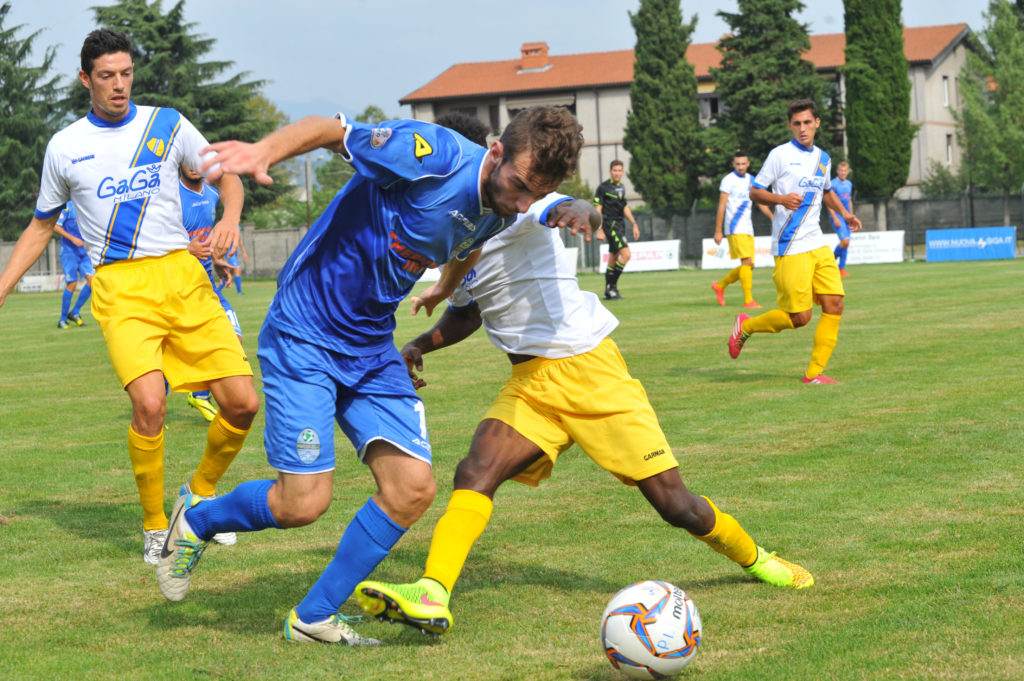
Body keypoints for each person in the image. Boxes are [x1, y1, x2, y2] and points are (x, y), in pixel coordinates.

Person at [153, 105, 590, 645]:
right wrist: (265, 151)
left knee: (412, 490)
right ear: (495, 152)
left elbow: (471, 241)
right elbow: (332, 129)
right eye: (519, 186)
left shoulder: (504, 200)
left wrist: (444, 287)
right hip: (305, 332)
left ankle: (311, 617)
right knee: (302, 505)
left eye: (534, 196)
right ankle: (198, 521)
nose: (521, 204)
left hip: (370, 346)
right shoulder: (433, 156)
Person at [353, 188, 814, 638]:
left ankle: (758, 559)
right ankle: (433, 594)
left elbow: (572, 208)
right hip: (531, 384)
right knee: (475, 471)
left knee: (676, 505)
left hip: (593, 373)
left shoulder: (521, 205)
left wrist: (581, 215)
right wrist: (417, 344)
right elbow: (467, 314)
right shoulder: (460, 236)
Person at [0, 29, 260, 565]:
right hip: (120, 289)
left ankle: (201, 499)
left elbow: (227, 176)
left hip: (184, 279)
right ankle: (154, 525)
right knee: (149, 404)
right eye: (106, 76)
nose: (119, 85)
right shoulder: (65, 146)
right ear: (85, 80)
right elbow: (40, 226)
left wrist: (231, 219)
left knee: (242, 403)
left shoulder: (166, 122)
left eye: (126, 73)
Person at [730, 99, 862, 384]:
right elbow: (755, 192)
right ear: (790, 125)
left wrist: (845, 213)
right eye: (797, 123)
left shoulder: (824, 159)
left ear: (817, 123)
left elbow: (826, 191)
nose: (802, 128)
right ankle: (747, 326)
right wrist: (780, 199)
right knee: (799, 318)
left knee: (835, 304)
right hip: (790, 246)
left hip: (817, 243)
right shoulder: (779, 155)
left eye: (807, 122)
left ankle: (814, 374)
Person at [179, 164, 245, 426]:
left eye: (198, 161)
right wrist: (186, 249)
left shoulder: (212, 195)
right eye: (188, 160)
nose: (194, 166)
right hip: (179, 287)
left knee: (234, 337)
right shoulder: (169, 197)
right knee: (174, 350)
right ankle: (157, 409)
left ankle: (200, 394)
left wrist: (217, 260)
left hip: (207, 286)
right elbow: (153, 244)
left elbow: (206, 240)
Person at [711, 151, 774, 308]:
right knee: (746, 262)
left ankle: (720, 285)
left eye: (743, 164)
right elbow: (721, 206)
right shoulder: (728, 180)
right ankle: (748, 300)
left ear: (748, 163)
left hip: (748, 228)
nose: (740, 167)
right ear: (733, 164)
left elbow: (760, 203)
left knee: (749, 265)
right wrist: (718, 230)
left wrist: (774, 219)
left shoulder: (752, 180)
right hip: (734, 227)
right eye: (737, 164)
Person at [594, 160, 640, 300]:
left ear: (622, 172)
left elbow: (624, 206)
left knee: (613, 257)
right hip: (610, 225)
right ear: (610, 172)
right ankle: (612, 287)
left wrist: (634, 223)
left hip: (620, 225)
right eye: (615, 170)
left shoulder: (622, 187)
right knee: (626, 254)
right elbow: (598, 209)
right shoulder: (603, 187)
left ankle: (608, 292)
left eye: (620, 170)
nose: (617, 173)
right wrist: (599, 228)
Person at [51, 201, 95, 328]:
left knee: (93, 281)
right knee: (72, 283)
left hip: (81, 251)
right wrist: (73, 238)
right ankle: (62, 320)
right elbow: (56, 226)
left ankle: (75, 311)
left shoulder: (85, 206)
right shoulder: (67, 207)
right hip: (69, 252)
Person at [828, 161, 854, 277]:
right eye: (841, 170)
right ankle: (830, 263)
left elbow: (849, 200)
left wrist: (851, 217)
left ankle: (841, 269)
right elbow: (829, 202)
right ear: (837, 171)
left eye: (845, 170)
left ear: (848, 171)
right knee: (845, 241)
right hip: (837, 215)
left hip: (847, 216)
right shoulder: (832, 184)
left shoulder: (849, 184)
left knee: (846, 243)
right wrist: (834, 217)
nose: (843, 172)